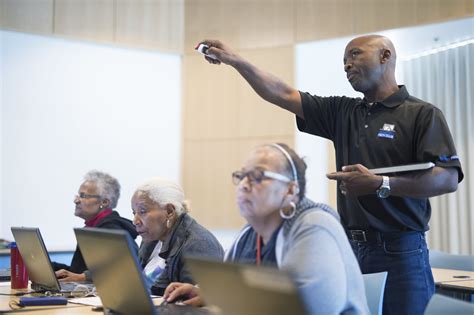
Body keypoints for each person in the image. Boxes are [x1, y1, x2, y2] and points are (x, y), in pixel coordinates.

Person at [193, 36, 464, 314]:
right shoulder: (343, 112)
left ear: (385, 56)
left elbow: (447, 178)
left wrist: (381, 184)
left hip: (400, 250)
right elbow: (282, 93)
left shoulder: (421, 114)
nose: (347, 65)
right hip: (349, 246)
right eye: (344, 61)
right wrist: (236, 60)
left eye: (355, 55)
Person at [164, 143, 369, 314]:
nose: (244, 184)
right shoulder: (250, 232)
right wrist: (207, 293)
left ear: (290, 189)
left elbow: (311, 310)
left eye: (258, 176)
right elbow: (240, 288)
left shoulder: (314, 226)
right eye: (242, 175)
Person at [132, 177, 224, 296]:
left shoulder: (199, 245)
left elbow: (193, 306)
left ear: (170, 211)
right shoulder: (151, 238)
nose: (135, 221)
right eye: (134, 213)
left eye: (142, 211)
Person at [53, 170, 138, 281]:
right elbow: (78, 271)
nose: (76, 200)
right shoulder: (93, 228)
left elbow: (118, 271)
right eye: (78, 195)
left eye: (83, 196)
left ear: (104, 202)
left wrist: (81, 277)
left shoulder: (110, 230)